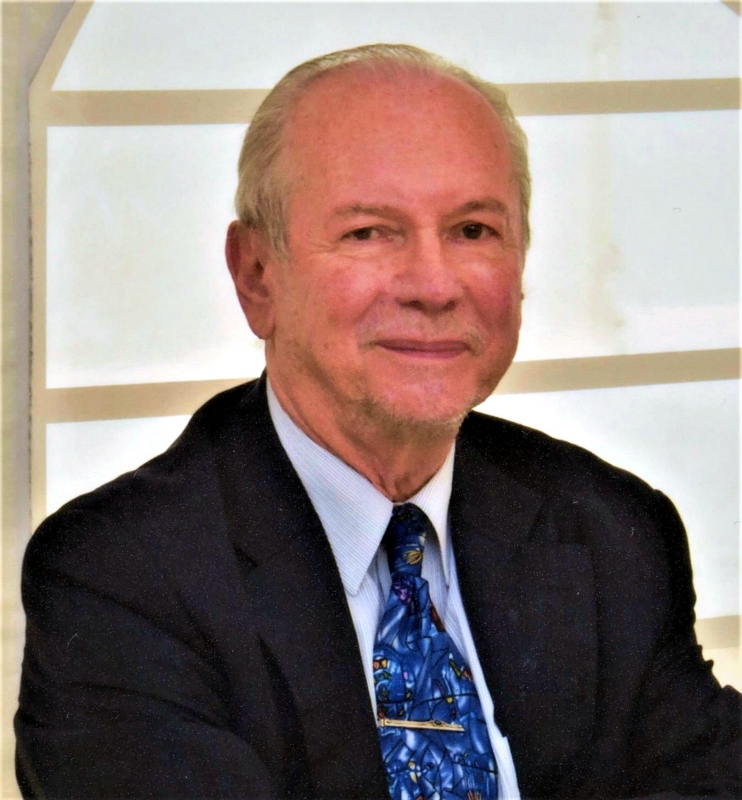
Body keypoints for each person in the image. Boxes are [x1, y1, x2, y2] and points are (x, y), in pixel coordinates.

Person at [15, 44, 741, 800]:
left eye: (473, 231)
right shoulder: (121, 578)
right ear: (256, 276)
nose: (433, 285)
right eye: (369, 232)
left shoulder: (612, 531)